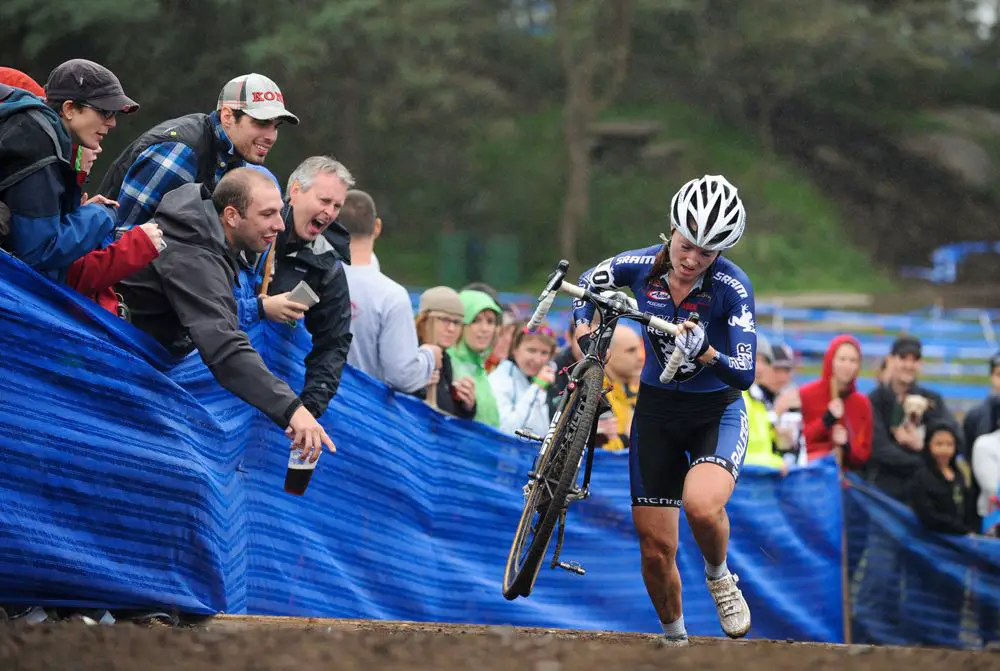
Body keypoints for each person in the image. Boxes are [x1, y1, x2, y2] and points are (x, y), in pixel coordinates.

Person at [573, 174, 755, 645]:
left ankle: (718, 576)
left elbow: (745, 372)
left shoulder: (732, 288)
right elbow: (586, 286)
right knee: (656, 550)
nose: (693, 259)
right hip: (656, 413)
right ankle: (676, 641)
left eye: (708, 253)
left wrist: (707, 352)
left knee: (700, 505)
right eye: (688, 244)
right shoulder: (639, 265)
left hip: (715, 411)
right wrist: (583, 333)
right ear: (672, 229)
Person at [117, 168, 333, 460]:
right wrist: (293, 410)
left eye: (281, 213)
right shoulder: (193, 254)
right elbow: (225, 346)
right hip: (118, 363)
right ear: (231, 216)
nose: (281, 225)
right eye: (267, 214)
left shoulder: (209, 235)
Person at [98, 73, 298, 230]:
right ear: (227, 116)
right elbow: (121, 232)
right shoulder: (182, 150)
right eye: (261, 123)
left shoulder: (234, 156)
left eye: (276, 126)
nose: (271, 136)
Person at [0, 59, 138, 279]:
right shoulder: (38, 143)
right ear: (69, 109)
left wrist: (79, 213)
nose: (112, 123)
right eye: (105, 112)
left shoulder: (31, 121)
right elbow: (37, 252)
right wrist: (102, 215)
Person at [241, 157, 355, 419]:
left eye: (337, 205)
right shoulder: (252, 225)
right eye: (324, 201)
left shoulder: (328, 263)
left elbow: (333, 342)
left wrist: (309, 410)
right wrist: (262, 308)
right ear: (294, 190)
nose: (330, 212)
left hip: (265, 395)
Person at [339, 190, 440, 392]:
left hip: (308, 410)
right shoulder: (391, 295)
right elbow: (402, 376)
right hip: (365, 414)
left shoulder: (312, 278)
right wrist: (429, 355)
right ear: (377, 227)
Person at [867, 336, 959, 502]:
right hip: (883, 492)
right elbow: (879, 449)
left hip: (925, 492)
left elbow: (954, 440)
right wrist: (927, 459)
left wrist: (921, 445)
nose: (909, 365)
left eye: (915, 360)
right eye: (903, 358)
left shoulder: (933, 400)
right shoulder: (874, 401)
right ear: (890, 360)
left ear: (921, 364)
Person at [799, 334, 873, 471]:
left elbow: (863, 454)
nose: (847, 366)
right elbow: (799, 441)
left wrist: (847, 445)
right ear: (830, 360)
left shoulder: (862, 403)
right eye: (842, 359)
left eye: (853, 361)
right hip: (810, 473)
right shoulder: (806, 395)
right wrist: (826, 421)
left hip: (845, 478)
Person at [413, 286, 478, 418]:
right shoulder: (410, 354)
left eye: (457, 322)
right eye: (444, 320)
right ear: (424, 322)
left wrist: (465, 405)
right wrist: (415, 385)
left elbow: (445, 416)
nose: (452, 328)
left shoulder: (444, 359)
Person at [489, 322, 557, 437]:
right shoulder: (500, 379)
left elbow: (541, 431)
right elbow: (507, 430)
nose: (538, 360)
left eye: (544, 353)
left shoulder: (535, 379)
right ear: (515, 349)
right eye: (531, 350)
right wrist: (537, 387)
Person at [449, 289, 504, 428]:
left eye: (490, 321)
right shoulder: (447, 363)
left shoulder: (478, 368)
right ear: (461, 323)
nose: (485, 328)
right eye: (475, 320)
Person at [910, 423, 976, 535]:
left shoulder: (959, 475)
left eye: (950, 445)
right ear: (928, 445)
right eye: (939, 444)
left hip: (961, 537)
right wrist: (960, 529)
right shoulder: (921, 477)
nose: (944, 450)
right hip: (935, 539)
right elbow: (929, 515)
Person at [597, 326, 644, 452]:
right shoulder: (594, 394)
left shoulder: (632, 389)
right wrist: (628, 437)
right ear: (608, 353)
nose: (640, 356)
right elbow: (600, 452)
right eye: (631, 350)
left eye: (640, 348)